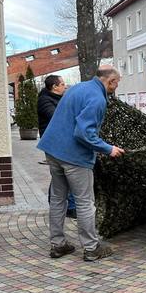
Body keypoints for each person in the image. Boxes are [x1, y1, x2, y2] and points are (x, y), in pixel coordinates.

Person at [37, 66, 125, 261]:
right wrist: (108, 148)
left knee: (58, 199)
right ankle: (92, 248)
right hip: (74, 157)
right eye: (117, 83)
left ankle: (58, 245)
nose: (116, 87)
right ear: (110, 81)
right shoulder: (97, 99)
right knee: (85, 202)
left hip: (52, 150)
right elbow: (83, 133)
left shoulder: (78, 88)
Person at [37, 75, 77, 218]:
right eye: (62, 84)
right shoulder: (45, 101)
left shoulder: (58, 99)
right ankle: (69, 206)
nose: (65, 86)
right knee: (65, 173)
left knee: (60, 174)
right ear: (54, 87)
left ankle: (60, 203)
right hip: (54, 143)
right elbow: (56, 117)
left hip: (61, 142)